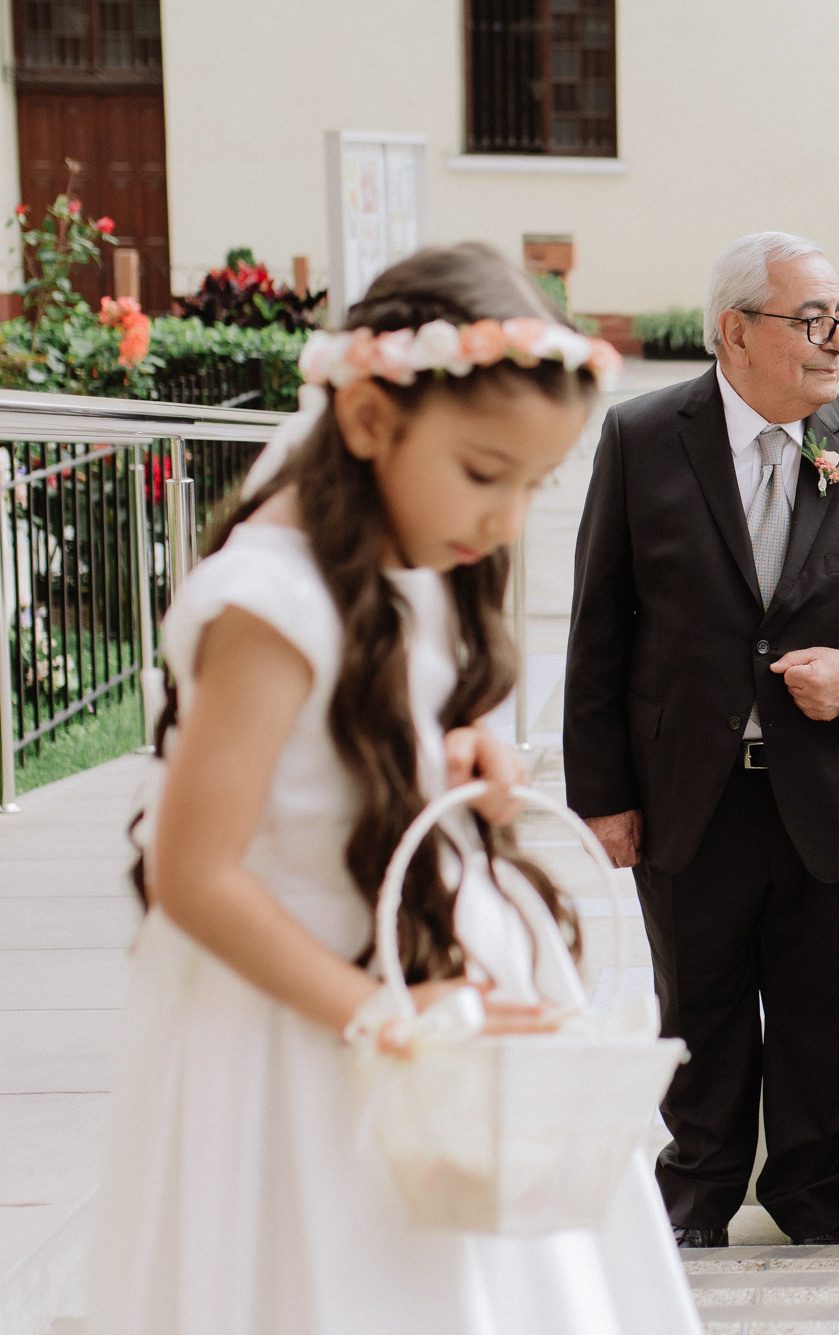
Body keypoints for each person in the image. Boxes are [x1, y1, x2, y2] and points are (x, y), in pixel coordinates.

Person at [91, 243, 702, 1334]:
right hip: (309, 1023)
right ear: (371, 420)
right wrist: (384, 1015)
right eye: (484, 473)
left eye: (533, 487)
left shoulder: (405, 549)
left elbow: (379, 720)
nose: (505, 520)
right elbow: (194, 874)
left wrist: (461, 754)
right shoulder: (271, 605)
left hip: (429, 981)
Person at [564, 232, 839, 1250]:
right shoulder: (643, 437)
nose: (837, 340)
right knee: (696, 1013)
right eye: (811, 320)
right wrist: (601, 796)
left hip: (832, 792)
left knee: (814, 1017)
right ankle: (696, 1202)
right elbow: (598, 626)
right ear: (734, 331)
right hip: (688, 792)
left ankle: (811, 1201)